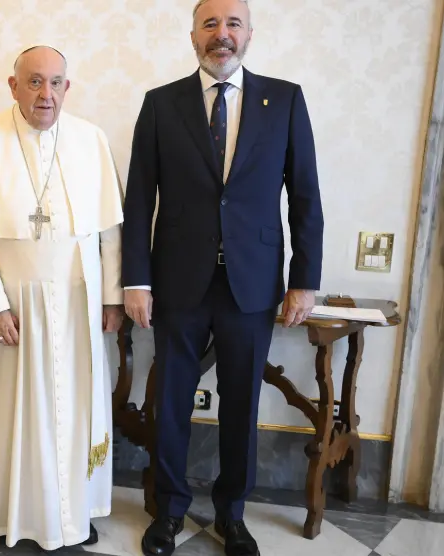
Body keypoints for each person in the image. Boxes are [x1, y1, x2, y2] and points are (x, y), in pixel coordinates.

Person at [122, 0, 324, 554]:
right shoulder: (161, 104)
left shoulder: (283, 100)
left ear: (250, 34)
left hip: (252, 285)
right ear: (193, 36)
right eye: (210, 24)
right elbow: (139, 198)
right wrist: (135, 279)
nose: (222, 34)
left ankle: (232, 514)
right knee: (170, 405)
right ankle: (169, 512)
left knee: (242, 405)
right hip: (178, 281)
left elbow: (304, 195)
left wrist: (304, 280)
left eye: (233, 23)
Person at [0, 45, 125, 550]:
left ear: (68, 88)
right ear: (12, 86)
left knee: (75, 409)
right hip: (10, 307)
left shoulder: (90, 140)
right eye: (34, 82)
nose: (46, 93)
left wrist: (111, 298)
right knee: (3, 416)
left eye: (56, 82)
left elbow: (109, 234)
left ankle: (72, 511)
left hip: (78, 304)